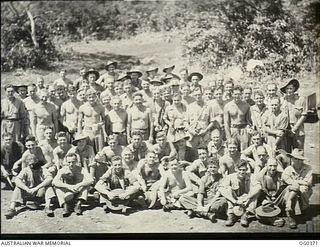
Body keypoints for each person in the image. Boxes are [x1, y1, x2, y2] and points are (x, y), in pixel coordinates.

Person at [180, 157, 228, 222]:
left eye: (214, 167)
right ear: (207, 168)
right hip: (205, 200)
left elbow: (217, 195)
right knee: (183, 199)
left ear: (218, 168)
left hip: (216, 200)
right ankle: (205, 214)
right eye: (210, 167)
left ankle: (195, 210)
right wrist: (200, 205)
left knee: (222, 202)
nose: (212, 169)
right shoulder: (205, 178)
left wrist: (208, 206)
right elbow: (200, 193)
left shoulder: (222, 178)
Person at [52, 153, 94, 217]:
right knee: (57, 187)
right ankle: (65, 206)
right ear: (66, 162)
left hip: (78, 191)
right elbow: (54, 181)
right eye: (69, 162)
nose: (71, 164)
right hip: (67, 191)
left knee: (87, 185)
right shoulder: (62, 170)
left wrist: (79, 185)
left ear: (77, 161)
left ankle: (78, 204)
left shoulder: (82, 169)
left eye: (73, 162)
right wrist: (68, 186)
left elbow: (91, 180)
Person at [219, 160, 259, 227]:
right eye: (240, 170)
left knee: (256, 190)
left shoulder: (251, 176)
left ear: (246, 169)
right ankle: (231, 214)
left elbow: (258, 187)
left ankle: (246, 214)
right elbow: (221, 188)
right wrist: (234, 201)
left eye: (244, 170)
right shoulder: (230, 176)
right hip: (235, 199)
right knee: (227, 188)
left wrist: (246, 198)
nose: (242, 172)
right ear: (236, 169)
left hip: (247, 199)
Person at [281, 148, 313, 229]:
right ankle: (290, 214)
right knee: (291, 188)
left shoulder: (308, 168)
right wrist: (297, 183)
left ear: (302, 160)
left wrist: (296, 182)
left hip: (304, 189)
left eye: (300, 159)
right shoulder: (288, 169)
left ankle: (304, 208)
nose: (298, 161)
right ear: (292, 159)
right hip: (291, 189)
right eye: (295, 159)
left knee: (304, 188)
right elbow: (285, 179)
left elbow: (308, 182)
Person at [254, 158, 288, 227]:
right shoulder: (260, 177)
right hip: (266, 203)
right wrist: (263, 201)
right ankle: (272, 219)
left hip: (278, 200)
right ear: (266, 165)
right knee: (259, 213)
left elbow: (289, 181)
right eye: (270, 165)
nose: (273, 168)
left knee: (289, 189)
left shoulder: (281, 175)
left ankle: (290, 215)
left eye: (275, 166)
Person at [280, 79, 307, 152]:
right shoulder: (282, 100)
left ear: (294, 89)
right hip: (285, 130)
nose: (288, 91)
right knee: (286, 153)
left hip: (298, 130)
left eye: (290, 88)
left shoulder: (301, 99)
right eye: (287, 89)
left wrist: (295, 128)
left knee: (299, 152)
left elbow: (304, 115)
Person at [224, 85, 252, 151]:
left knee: (244, 150)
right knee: (233, 150)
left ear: (242, 94)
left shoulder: (246, 105)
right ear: (232, 94)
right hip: (233, 130)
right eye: (235, 94)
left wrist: (248, 129)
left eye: (239, 94)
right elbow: (226, 123)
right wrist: (228, 137)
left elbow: (248, 121)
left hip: (243, 130)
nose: (237, 96)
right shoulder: (228, 106)